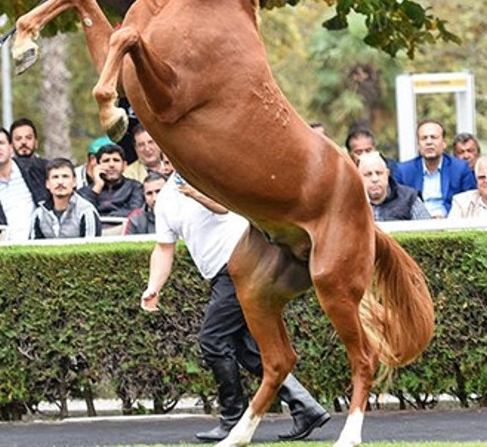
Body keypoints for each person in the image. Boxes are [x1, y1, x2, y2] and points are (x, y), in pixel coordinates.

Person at [140, 177, 330, 443]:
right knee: (244, 347)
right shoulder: (165, 202)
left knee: (213, 340)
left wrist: (196, 192)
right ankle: (305, 407)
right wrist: (153, 287)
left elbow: (223, 207)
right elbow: (163, 248)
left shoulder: (203, 174)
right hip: (221, 275)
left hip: (243, 266)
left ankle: (231, 420)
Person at [0, 127, 50, 241]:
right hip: (4, 251)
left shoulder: (36, 169)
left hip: (39, 244)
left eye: (1, 143)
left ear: (11, 148)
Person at [393, 119, 477, 217]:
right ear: (418, 145)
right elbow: (397, 206)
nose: (429, 142)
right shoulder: (404, 171)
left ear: (444, 143)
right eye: (424, 138)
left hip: (451, 224)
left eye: (433, 137)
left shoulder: (460, 168)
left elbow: (470, 203)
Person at [32, 158, 101, 239]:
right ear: (47, 184)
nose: (60, 182)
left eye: (65, 176)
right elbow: (33, 247)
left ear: (74, 182)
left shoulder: (86, 211)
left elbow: (92, 248)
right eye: (55, 177)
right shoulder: (39, 214)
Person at [77, 142, 145, 218]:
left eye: (116, 160)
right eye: (106, 161)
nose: (111, 165)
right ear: (98, 165)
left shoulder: (135, 188)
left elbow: (135, 213)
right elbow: (82, 214)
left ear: (124, 165)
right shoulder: (84, 192)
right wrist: (97, 187)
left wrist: (104, 216)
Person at [357, 152, 431, 221]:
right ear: (358, 177)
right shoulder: (349, 204)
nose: (375, 179)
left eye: (379, 173)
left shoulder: (410, 199)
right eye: (368, 174)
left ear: (387, 174)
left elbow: (429, 231)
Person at [123, 171, 166, 235]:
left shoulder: (182, 212)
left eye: (158, 191)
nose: (155, 198)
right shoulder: (136, 218)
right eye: (149, 193)